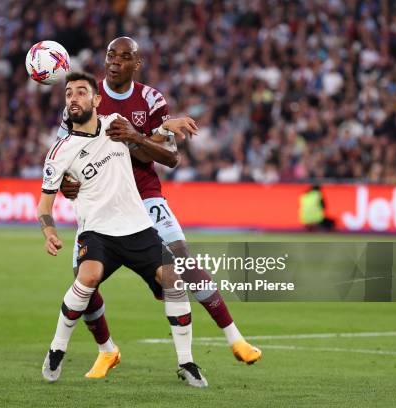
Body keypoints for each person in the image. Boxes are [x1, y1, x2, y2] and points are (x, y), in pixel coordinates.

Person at [58, 37, 261, 378]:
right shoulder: (89, 97)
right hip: (100, 201)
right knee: (82, 279)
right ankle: (106, 350)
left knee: (182, 260)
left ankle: (235, 338)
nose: (115, 62)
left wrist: (140, 136)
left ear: (136, 65)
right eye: (110, 55)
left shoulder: (151, 99)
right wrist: (67, 184)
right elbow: (65, 158)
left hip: (146, 196)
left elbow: (170, 157)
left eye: (124, 57)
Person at [37, 72, 207, 387]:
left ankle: (187, 362)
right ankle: (56, 350)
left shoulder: (114, 123)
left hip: (137, 227)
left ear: (96, 100)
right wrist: (49, 231)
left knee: (173, 280)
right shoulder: (59, 152)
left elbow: (150, 134)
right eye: (69, 94)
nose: (74, 98)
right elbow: (44, 206)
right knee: (86, 278)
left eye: (81, 93)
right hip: (97, 231)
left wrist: (169, 124)